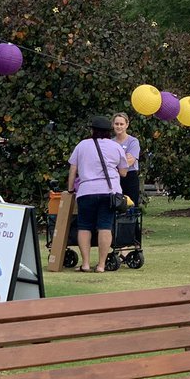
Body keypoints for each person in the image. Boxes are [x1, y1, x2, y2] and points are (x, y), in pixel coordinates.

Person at [66, 116, 127, 272]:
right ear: (109, 131)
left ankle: (85, 263)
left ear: (92, 130)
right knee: (105, 227)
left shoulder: (82, 145)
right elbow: (123, 172)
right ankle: (101, 265)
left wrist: (71, 189)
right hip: (109, 192)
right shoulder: (116, 147)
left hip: (86, 191)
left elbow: (73, 170)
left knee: (84, 226)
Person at [112, 112, 142, 206]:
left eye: (121, 124)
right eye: (117, 124)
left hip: (130, 177)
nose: (119, 126)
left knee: (131, 206)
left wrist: (116, 161)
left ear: (127, 125)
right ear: (113, 124)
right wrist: (123, 158)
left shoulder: (133, 141)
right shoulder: (110, 142)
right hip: (114, 178)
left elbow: (130, 161)